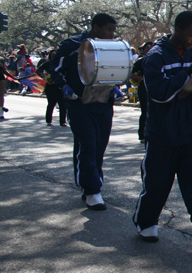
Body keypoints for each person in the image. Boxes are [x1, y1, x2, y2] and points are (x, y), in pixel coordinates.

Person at [133, 11, 192, 247]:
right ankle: (147, 223)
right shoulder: (155, 56)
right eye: (191, 35)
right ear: (177, 30)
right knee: (157, 180)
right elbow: (159, 92)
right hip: (162, 130)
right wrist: (187, 74)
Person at [53, 13, 118, 211]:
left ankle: (89, 182)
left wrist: (115, 86)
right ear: (96, 27)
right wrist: (64, 85)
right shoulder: (71, 45)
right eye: (109, 30)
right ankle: (92, 190)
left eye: (113, 30)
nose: (112, 34)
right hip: (79, 104)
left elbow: (116, 69)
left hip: (104, 103)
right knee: (88, 144)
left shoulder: (111, 47)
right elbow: (55, 69)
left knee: (99, 146)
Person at [36, 50, 67, 126]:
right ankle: (48, 120)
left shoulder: (61, 63)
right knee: (51, 104)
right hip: (50, 86)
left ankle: (63, 121)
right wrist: (44, 77)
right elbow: (38, 71)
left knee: (62, 104)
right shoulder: (47, 63)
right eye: (52, 55)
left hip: (60, 86)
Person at [131, 41, 153, 144]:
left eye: (150, 48)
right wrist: (142, 79)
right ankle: (142, 135)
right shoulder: (140, 62)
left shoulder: (158, 60)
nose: (148, 50)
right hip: (143, 89)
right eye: (146, 48)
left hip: (155, 88)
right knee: (145, 111)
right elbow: (131, 74)